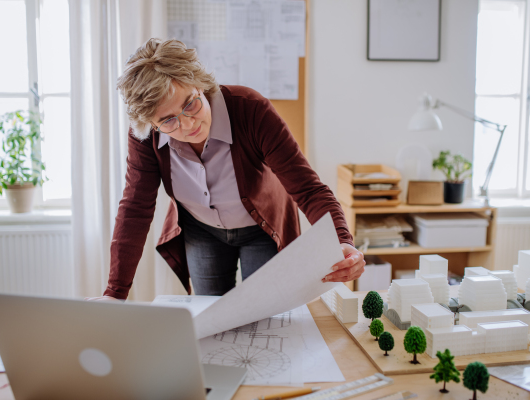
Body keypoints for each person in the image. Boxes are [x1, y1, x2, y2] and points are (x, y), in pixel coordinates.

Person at [88, 38, 364, 301]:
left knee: (266, 313)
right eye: (168, 121)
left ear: (200, 84)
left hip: (262, 227)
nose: (187, 125)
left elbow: (308, 189)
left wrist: (342, 242)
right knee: (213, 315)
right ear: (152, 124)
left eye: (190, 104)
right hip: (201, 230)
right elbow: (135, 208)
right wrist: (115, 293)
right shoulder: (146, 137)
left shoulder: (250, 110)